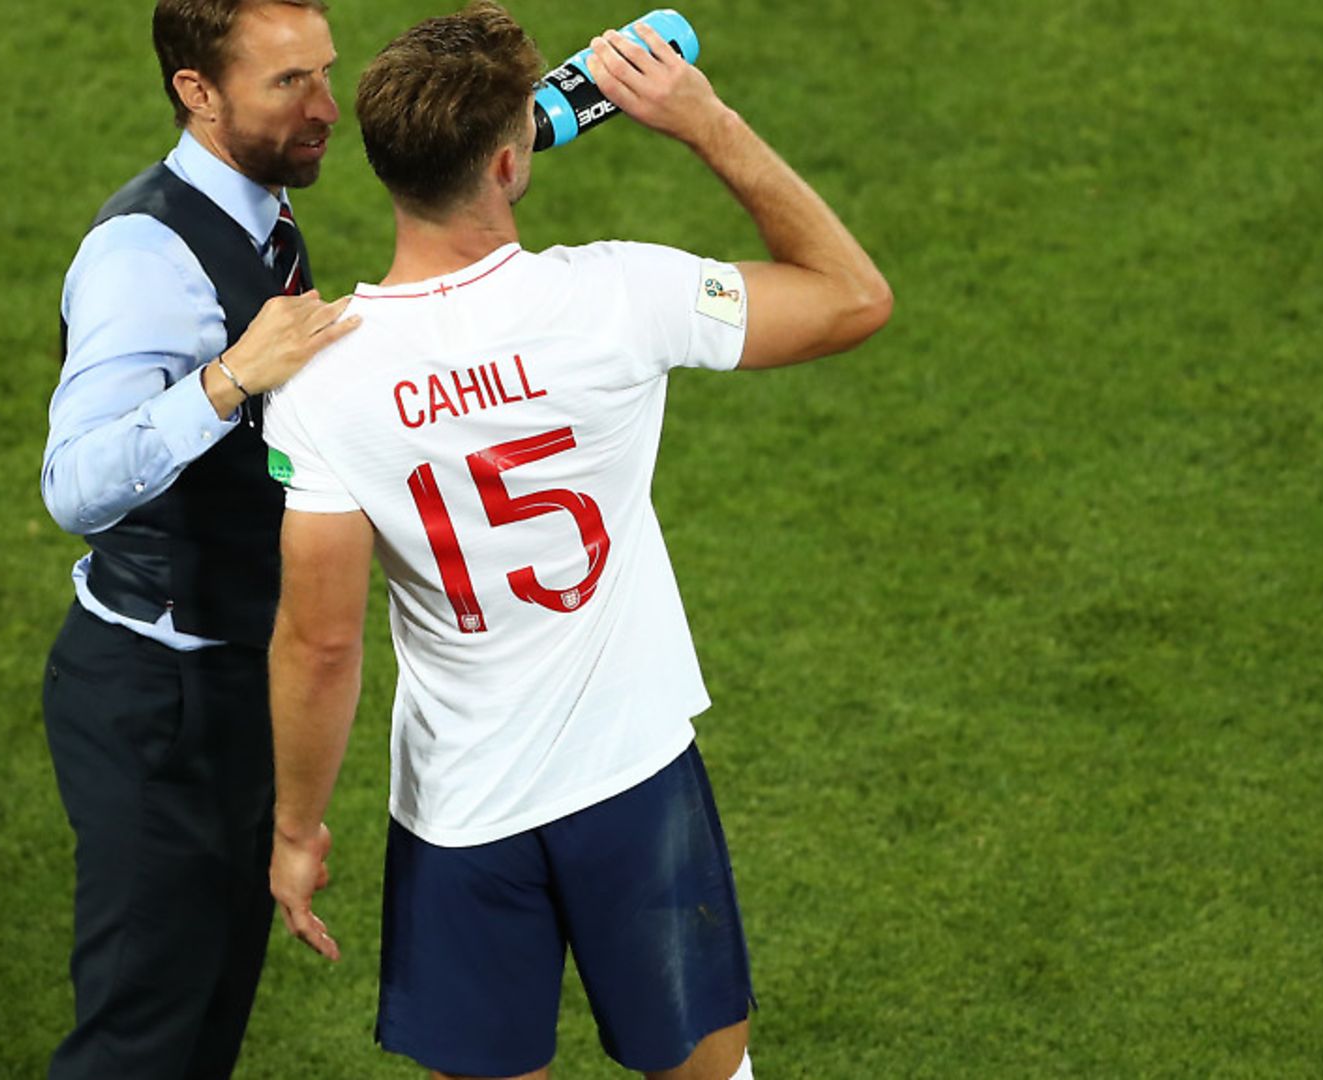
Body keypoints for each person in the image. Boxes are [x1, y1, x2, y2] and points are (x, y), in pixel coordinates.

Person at [261, 4, 892, 1078]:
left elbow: (320, 646)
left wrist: (296, 831)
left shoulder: (321, 377)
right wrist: (707, 122)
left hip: (461, 810)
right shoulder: (617, 297)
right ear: (511, 161)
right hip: (632, 777)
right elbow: (852, 296)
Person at [38, 1, 357, 1075]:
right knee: (140, 1046)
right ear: (197, 92)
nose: (325, 109)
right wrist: (227, 383)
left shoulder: (260, 210)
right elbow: (74, 484)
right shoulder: (145, 255)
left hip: (232, 684)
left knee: (202, 1028)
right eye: (288, 85)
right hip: (158, 708)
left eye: (325, 72)